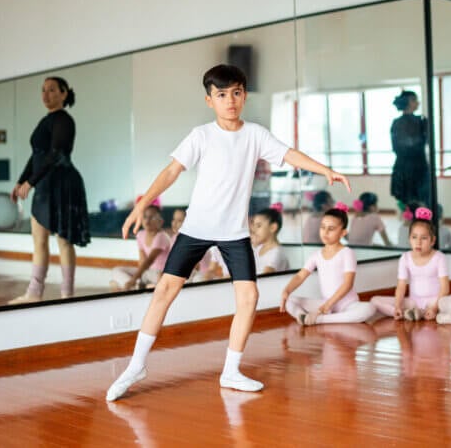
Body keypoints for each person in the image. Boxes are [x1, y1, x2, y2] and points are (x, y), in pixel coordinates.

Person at [106, 64, 350, 401]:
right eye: (221, 95)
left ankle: (231, 371)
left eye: (236, 93)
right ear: (210, 100)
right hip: (195, 229)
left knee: (248, 298)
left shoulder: (255, 135)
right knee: (164, 290)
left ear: (244, 95)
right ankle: (136, 365)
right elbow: (171, 171)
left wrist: (326, 170)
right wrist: (141, 204)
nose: (230, 100)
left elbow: (289, 154)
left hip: (234, 234)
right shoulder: (201, 135)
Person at [9, 76, 90, 303]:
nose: (46, 95)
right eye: (43, 90)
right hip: (44, 185)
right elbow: (37, 155)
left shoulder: (64, 120)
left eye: (52, 90)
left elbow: (56, 154)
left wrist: (30, 183)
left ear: (64, 93)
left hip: (63, 184)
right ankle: (34, 293)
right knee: (39, 239)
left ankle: (67, 294)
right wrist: (21, 181)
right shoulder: (45, 121)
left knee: (64, 241)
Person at [280, 206, 376, 325]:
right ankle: (303, 316)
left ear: (343, 233)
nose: (325, 232)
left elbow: (347, 284)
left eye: (331, 229)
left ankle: (320, 320)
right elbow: (300, 276)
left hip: (347, 305)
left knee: (369, 308)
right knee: (290, 299)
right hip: (326, 304)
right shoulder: (316, 255)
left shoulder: (347, 253)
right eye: (322, 227)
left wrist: (325, 307)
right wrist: (286, 290)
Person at [370, 208, 448, 321]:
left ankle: (425, 313)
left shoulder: (439, 257)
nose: (418, 242)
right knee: (374, 300)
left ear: (432, 240)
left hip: (434, 301)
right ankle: (400, 313)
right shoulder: (405, 258)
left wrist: (435, 307)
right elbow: (401, 286)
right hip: (413, 302)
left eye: (424, 238)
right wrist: (397, 306)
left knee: (448, 302)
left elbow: (445, 288)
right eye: (414, 237)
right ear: (409, 239)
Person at [110, 205, 171, 290]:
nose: (147, 221)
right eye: (145, 217)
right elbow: (142, 260)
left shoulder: (162, 237)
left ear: (160, 221)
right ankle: (136, 286)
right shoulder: (140, 234)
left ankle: (134, 286)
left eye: (152, 217)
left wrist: (134, 279)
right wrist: (136, 278)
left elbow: (149, 261)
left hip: (160, 274)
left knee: (119, 283)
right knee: (116, 270)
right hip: (147, 271)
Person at [390, 90, 429, 208]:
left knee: (410, 202)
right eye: (415, 100)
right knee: (415, 201)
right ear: (409, 102)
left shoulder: (398, 123)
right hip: (414, 165)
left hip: (405, 165)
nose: (418, 102)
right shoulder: (419, 121)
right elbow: (422, 142)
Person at [250, 203, 290, 274]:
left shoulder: (276, 254)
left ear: (273, 227)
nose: (253, 230)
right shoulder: (257, 248)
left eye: (258, 226)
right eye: (253, 225)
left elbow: (265, 279)